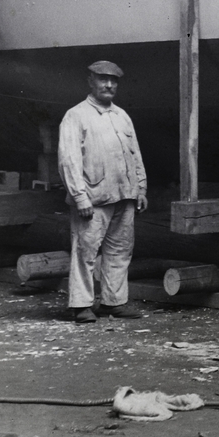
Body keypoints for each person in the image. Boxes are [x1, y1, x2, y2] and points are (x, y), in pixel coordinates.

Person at [58, 60, 148, 323]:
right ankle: (80, 305)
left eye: (113, 80)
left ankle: (114, 302)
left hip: (125, 195)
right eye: (102, 79)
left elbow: (135, 154)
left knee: (120, 251)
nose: (109, 84)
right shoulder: (76, 115)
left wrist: (140, 188)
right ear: (91, 81)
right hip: (93, 199)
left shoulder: (122, 116)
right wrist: (79, 196)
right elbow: (69, 160)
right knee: (85, 251)